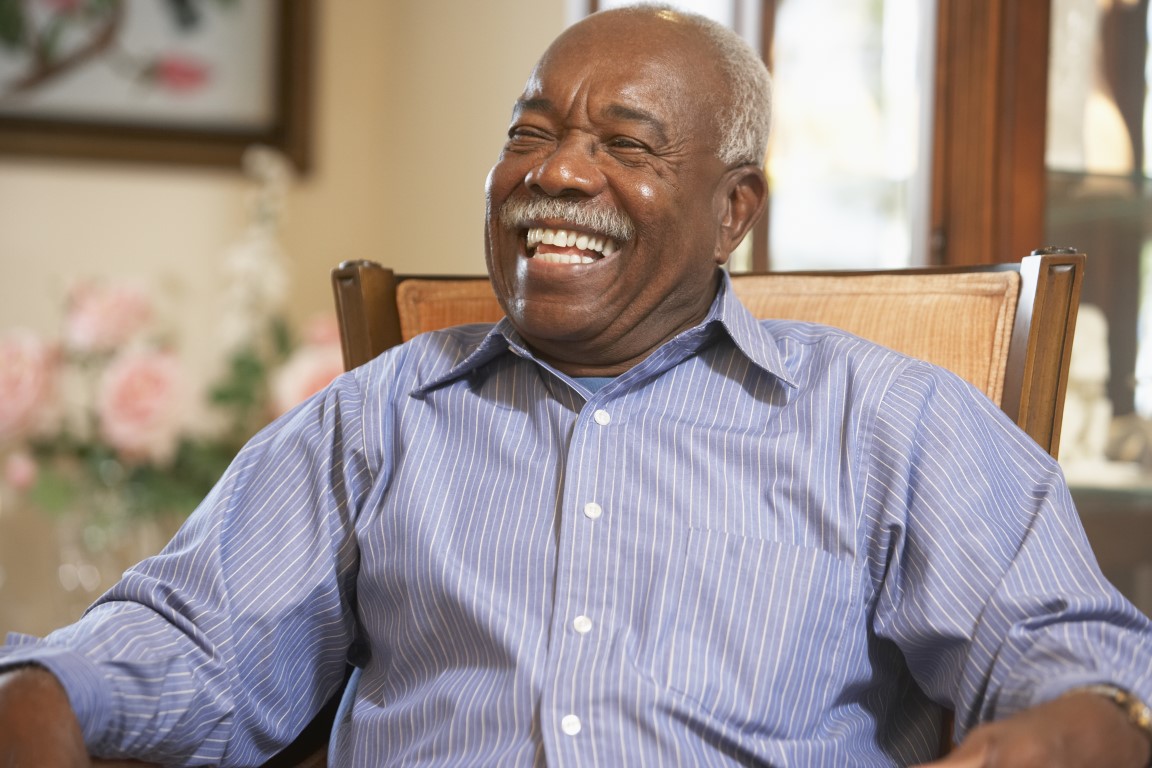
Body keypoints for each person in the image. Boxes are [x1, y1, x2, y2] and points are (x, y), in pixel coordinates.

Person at [2, 4, 1151, 766]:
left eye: (628, 144)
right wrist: (45, 691)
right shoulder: (383, 418)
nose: (555, 171)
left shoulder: (888, 423)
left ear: (733, 210)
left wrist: (1072, 733)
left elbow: (1078, 657)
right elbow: (189, 640)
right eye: (532, 132)